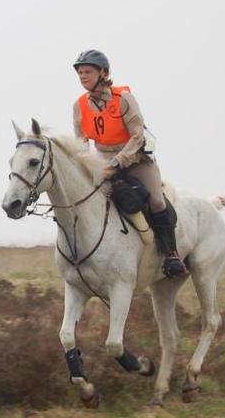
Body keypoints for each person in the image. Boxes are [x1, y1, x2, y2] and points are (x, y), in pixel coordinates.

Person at [71, 49, 187, 277]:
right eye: (80, 73)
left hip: (135, 158)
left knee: (155, 200)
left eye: (88, 72)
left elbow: (137, 137)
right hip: (102, 159)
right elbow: (81, 144)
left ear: (103, 73)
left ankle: (171, 254)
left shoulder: (123, 99)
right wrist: (85, 167)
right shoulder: (79, 106)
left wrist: (117, 161)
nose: (83, 76)